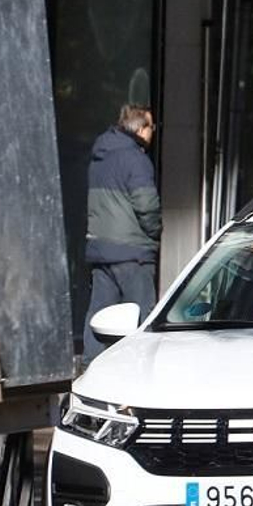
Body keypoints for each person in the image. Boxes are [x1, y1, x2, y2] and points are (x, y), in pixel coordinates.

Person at [84, 105, 163, 362]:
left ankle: (90, 368)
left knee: (99, 316)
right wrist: (155, 234)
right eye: (151, 127)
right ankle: (140, 368)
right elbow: (147, 206)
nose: (152, 132)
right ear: (141, 129)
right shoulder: (136, 159)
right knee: (141, 319)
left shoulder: (100, 155)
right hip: (132, 253)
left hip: (101, 250)